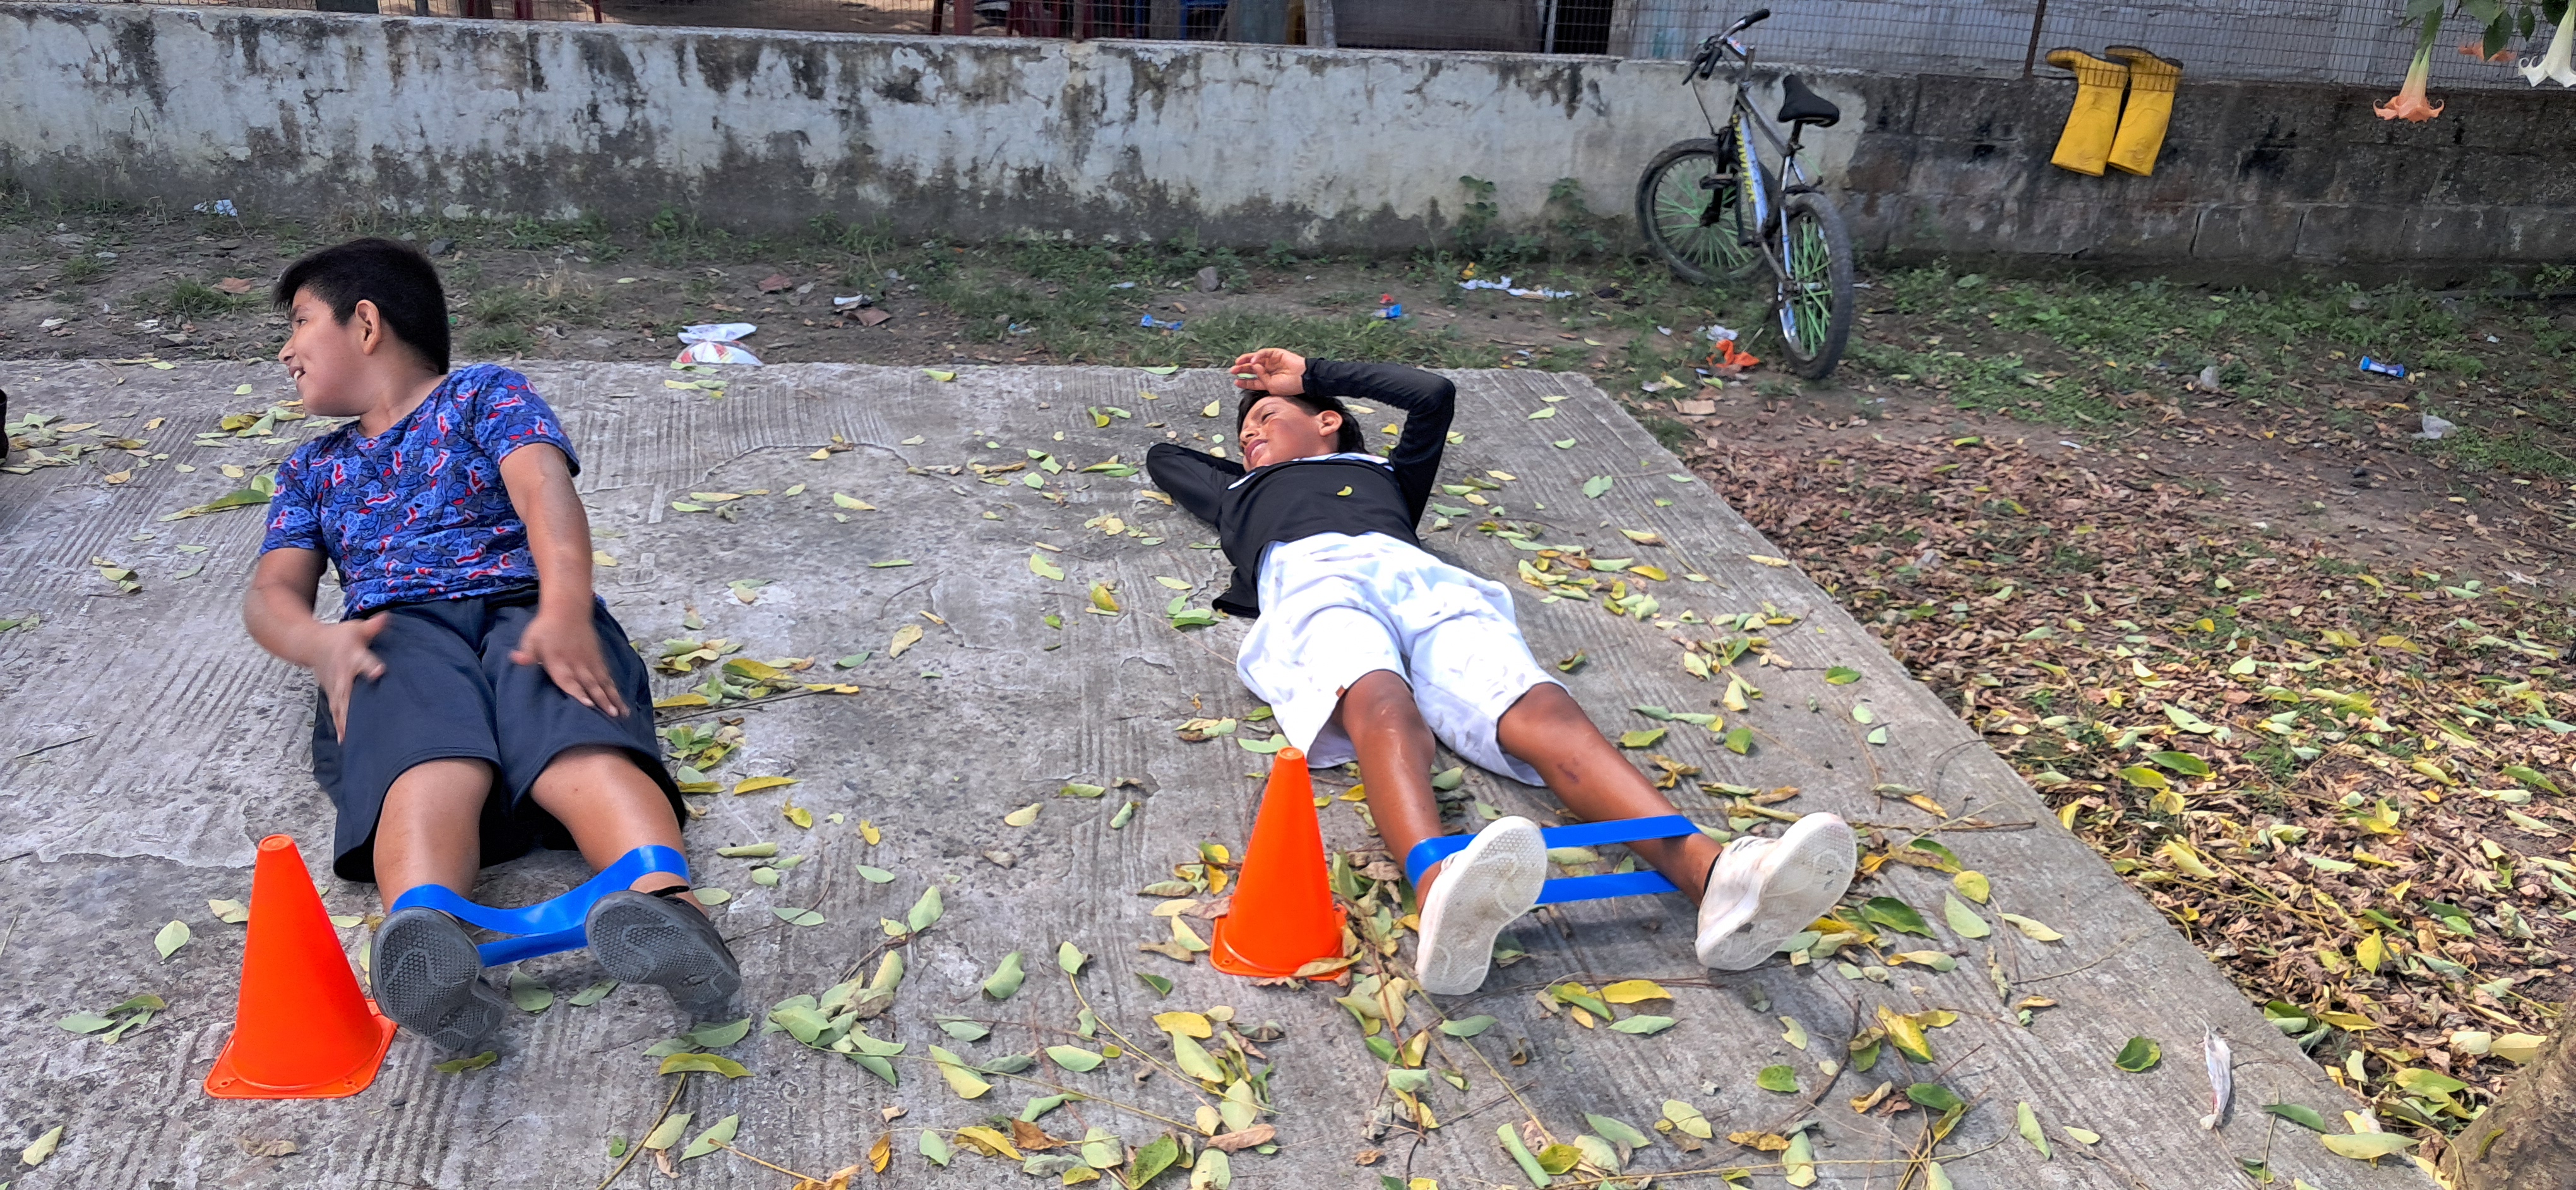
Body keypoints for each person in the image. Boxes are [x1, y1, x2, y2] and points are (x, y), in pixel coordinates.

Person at [1146, 349, 1855, 995]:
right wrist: (1258, 457)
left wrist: (1311, 375)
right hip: (1314, 584)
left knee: (1540, 708)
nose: (1250, 433)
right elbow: (1165, 458)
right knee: (1384, 706)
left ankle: (1713, 877)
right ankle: (1442, 891)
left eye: (1267, 417)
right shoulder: (1240, 494)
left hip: (1423, 583)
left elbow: (1431, 392)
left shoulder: (1386, 476)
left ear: (1328, 421)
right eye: (1244, 432)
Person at [241, 238, 737, 1052]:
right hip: (394, 627)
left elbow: (542, 489)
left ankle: (665, 904)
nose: (285, 352)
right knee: (424, 756)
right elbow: (272, 593)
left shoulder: (483, 394)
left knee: (576, 726)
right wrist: (319, 644)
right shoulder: (310, 470)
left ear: (365, 323)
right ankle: (427, 935)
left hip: (524, 608)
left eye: (298, 323)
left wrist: (566, 607)